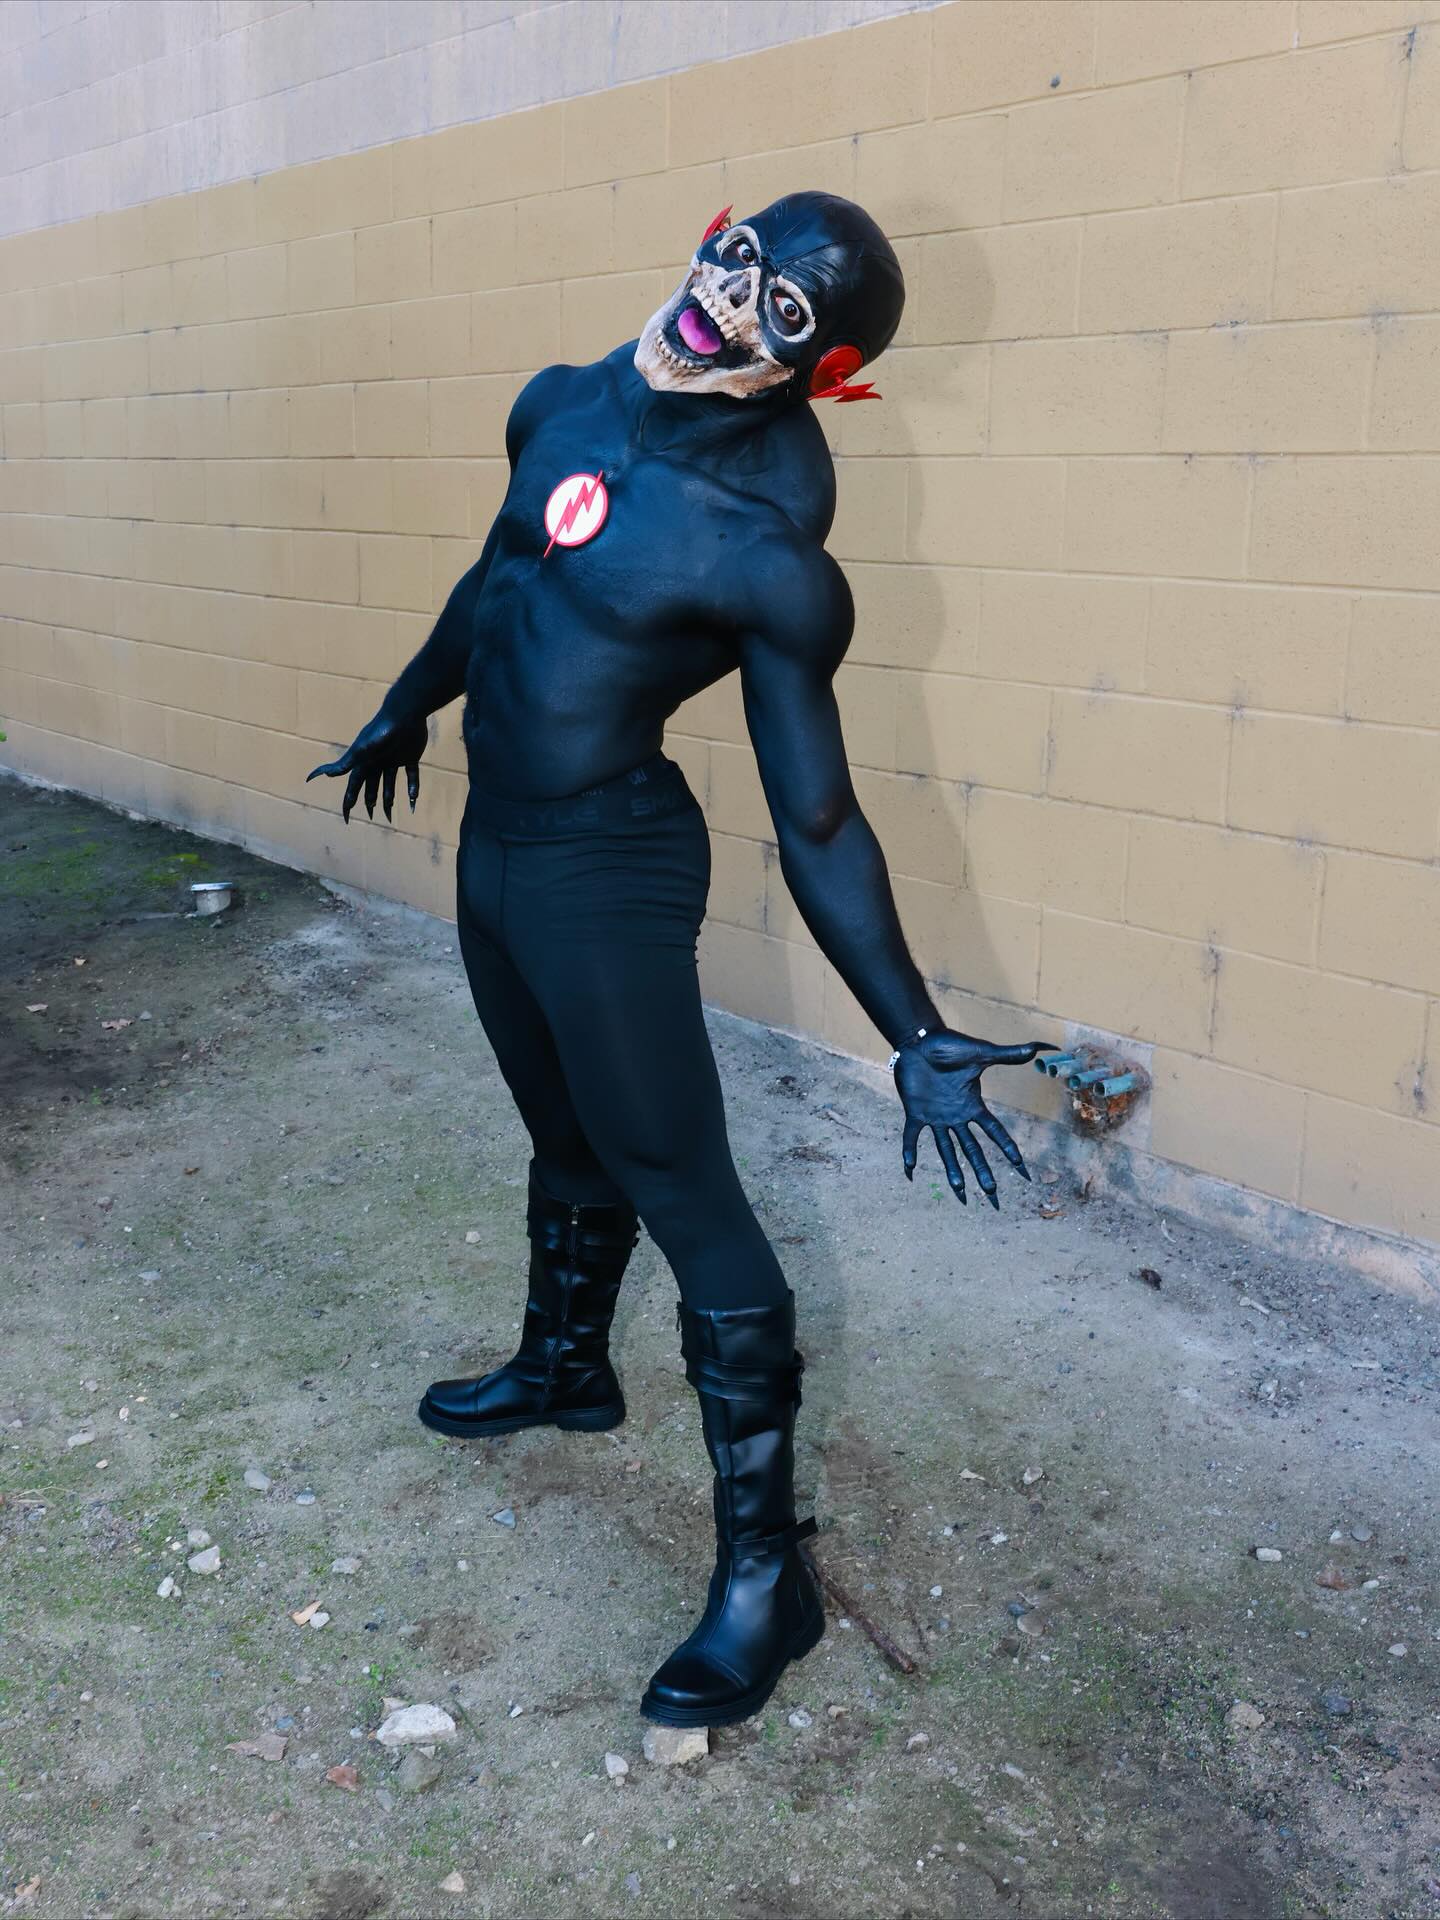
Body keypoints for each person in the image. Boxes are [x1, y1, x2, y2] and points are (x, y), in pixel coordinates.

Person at [309, 193, 1050, 1729]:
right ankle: (565, 1368)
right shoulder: (562, 400)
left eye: (784, 312)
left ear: (820, 370)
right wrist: (406, 702)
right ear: (717, 234)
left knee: (682, 1188)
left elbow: (821, 818)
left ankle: (768, 1584)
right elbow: (501, 575)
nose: (730, 302)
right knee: (561, 1131)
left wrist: (912, 1028)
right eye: (743, 260)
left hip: (608, 868)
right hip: (497, 848)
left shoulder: (765, 553)